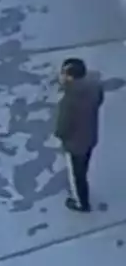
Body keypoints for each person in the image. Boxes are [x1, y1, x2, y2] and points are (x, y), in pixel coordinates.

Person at [54, 57, 104, 212]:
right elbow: (99, 100)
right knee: (84, 167)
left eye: (63, 73)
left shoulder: (69, 100)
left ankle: (81, 203)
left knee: (77, 176)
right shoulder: (94, 88)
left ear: (70, 77)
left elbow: (62, 127)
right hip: (90, 137)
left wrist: (60, 136)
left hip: (75, 144)